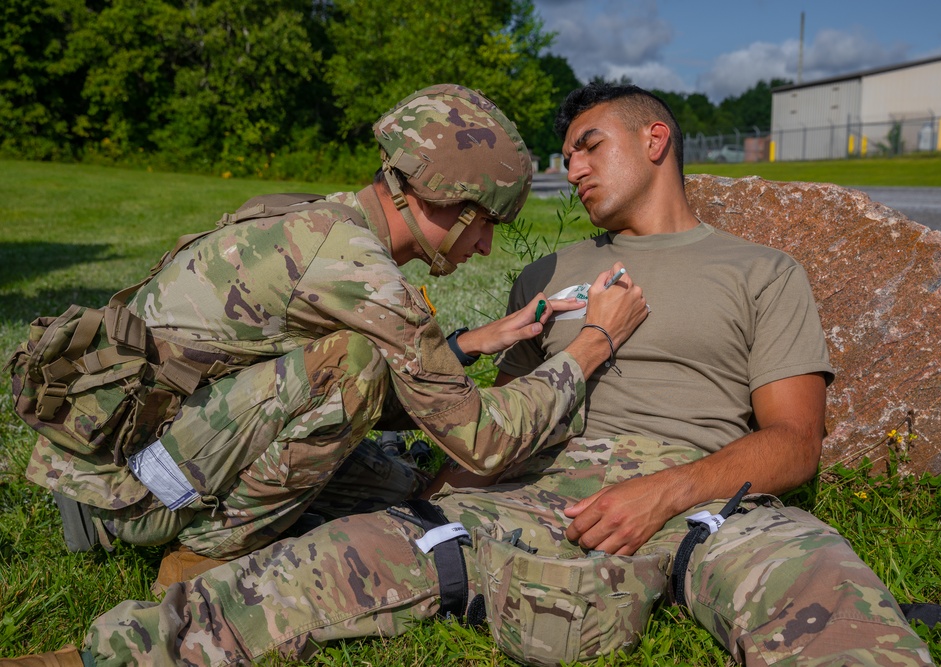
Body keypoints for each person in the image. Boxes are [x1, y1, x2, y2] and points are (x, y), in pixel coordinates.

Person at [3, 83, 933, 667]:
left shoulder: (757, 270)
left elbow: (794, 442)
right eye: (562, 152)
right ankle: (112, 647)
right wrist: (469, 449)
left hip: (704, 494)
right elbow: (483, 424)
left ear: (656, 140)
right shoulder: (549, 272)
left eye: (589, 144)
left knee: (829, 605)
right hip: (534, 485)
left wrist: (669, 490)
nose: (572, 166)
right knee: (325, 563)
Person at [17, 83, 647, 567]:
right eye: (484, 224)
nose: (483, 247)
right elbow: (483, 440)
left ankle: (146, 508)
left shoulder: (329, 220)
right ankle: (204, 548)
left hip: (142, 436)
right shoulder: (355, 269)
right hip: (139, 478)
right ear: (446, 202)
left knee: (404, 485)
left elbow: (395, 388)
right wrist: (595, 343)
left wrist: (475, 342)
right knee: (352, 366)